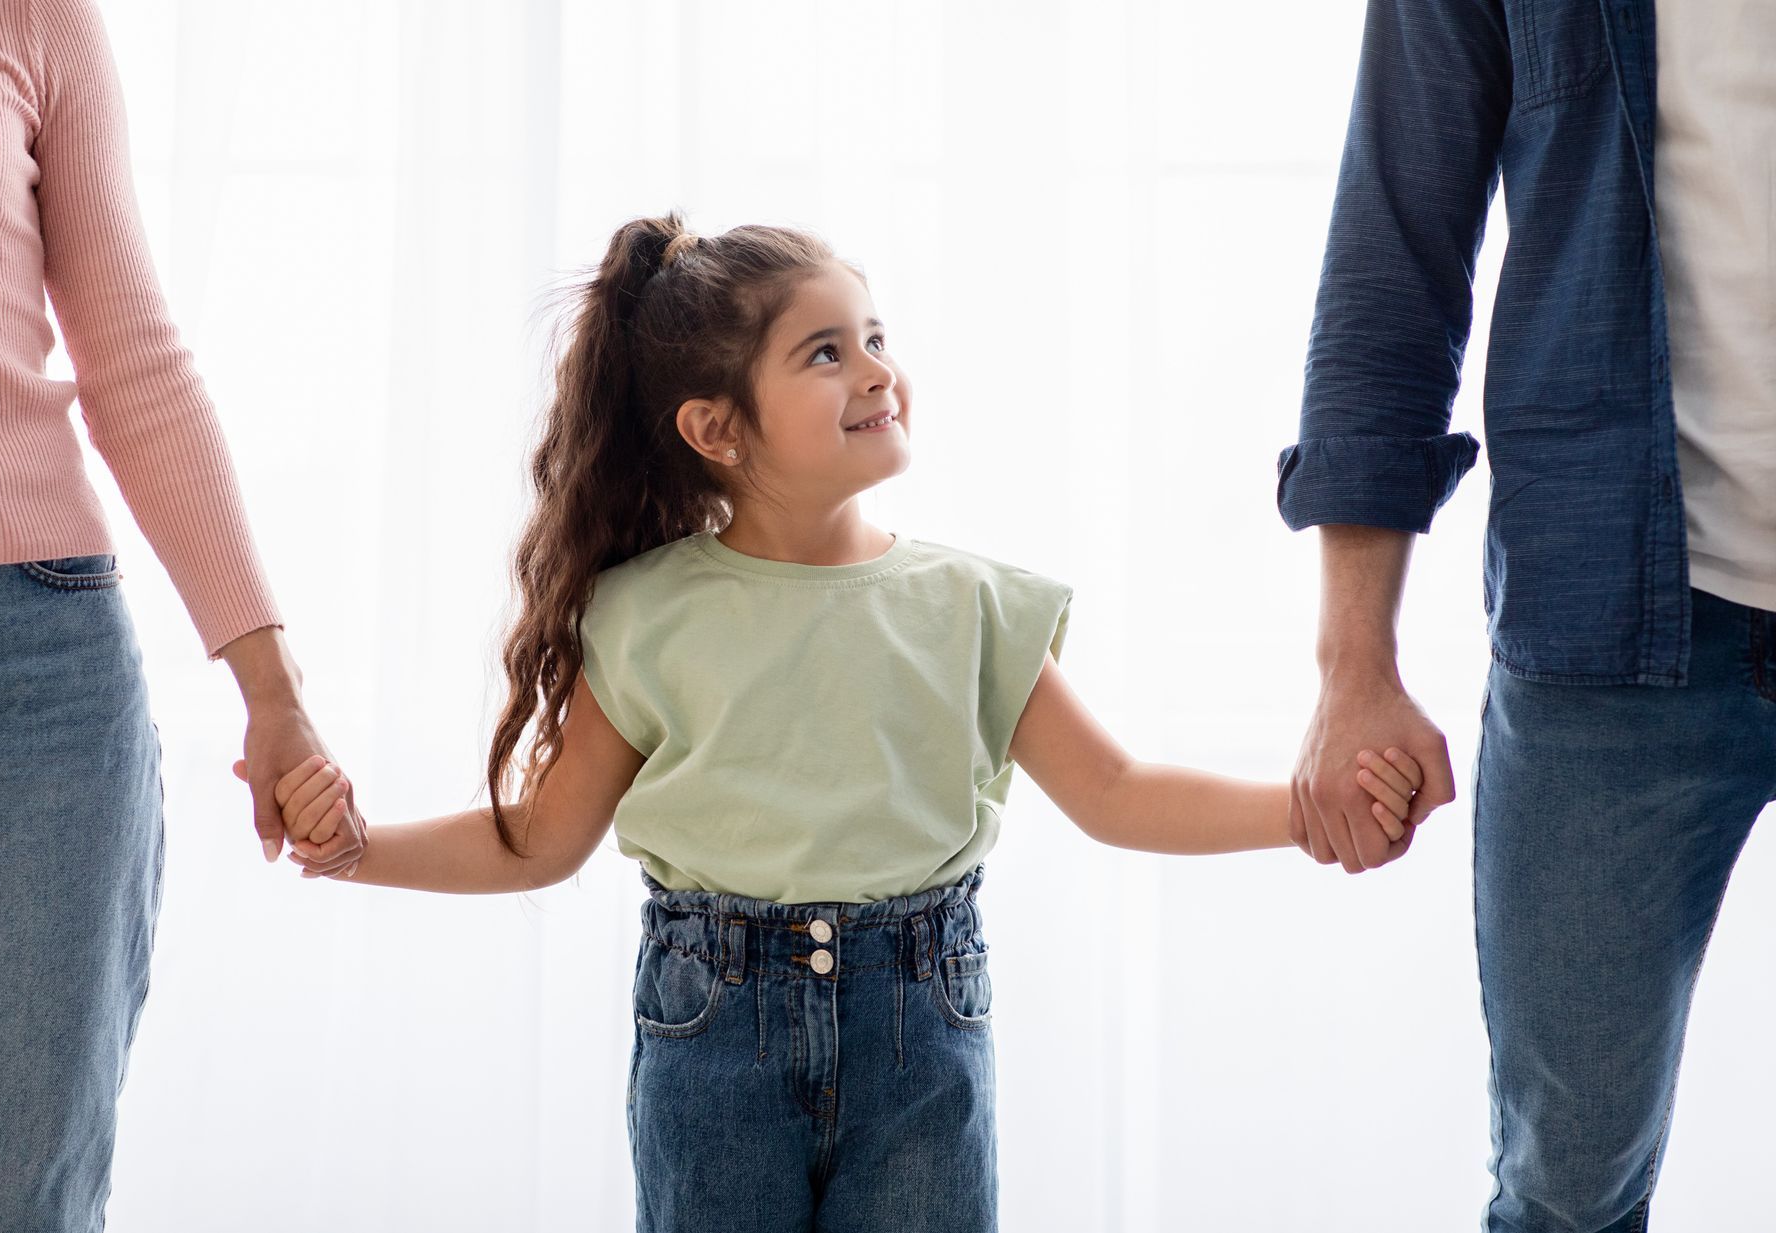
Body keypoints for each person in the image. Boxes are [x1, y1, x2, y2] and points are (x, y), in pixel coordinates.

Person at [256, 213, 1418, 1232]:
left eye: (876, 337)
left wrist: (1302, 811)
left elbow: (1116, 793)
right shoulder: (647, 614)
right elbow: (544, 840)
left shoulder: (969, 605)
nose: (875, 370)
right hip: (712, 1031)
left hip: (922, 1024)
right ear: (716, 429)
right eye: (826, 351)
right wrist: (362, 851)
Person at [0, 1, 362, 1227]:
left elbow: (132, 353)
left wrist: (275, 696)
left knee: (33, 1205)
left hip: (42, 656)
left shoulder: (28, 16)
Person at [1280, 0, 1776, 1226]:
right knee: (1566, 1190)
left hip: (1610, 614)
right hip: (1614, 621)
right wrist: (1355, 667)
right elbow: (1394, 258)